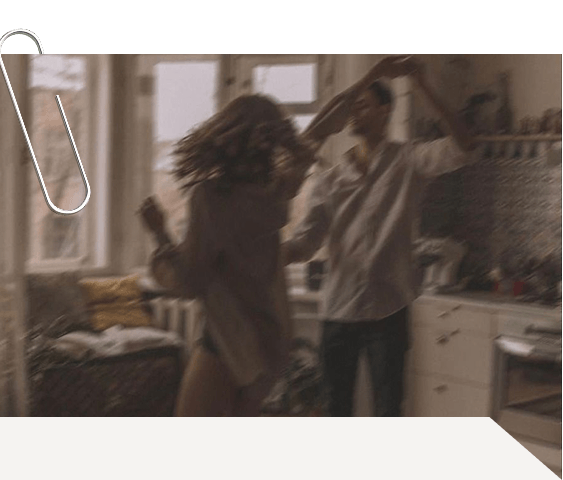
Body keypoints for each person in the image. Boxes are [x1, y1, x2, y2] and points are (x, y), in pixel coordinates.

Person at [282, 55, 479, 417]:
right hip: (338, 311)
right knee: (335, 411)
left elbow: (464, 147)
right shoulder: (329, 179)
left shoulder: (409, 161)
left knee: (388, 413)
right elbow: (307, 241)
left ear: (386, 111)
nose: (354, 114)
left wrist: (421, 83)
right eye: (352, 108)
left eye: (363, 106)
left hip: (389, 312)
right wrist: (272, 253)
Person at [139, 92, 350, 416]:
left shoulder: (211, 198)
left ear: (224, 134)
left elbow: (191, 281)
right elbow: (318, 133)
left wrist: (159, 232)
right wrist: (374, 74)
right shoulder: (275, 194)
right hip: (269, 343)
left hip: (228, 339)